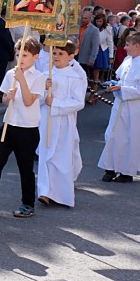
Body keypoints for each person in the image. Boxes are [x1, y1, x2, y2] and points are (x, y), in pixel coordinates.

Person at [0, 38, 46, 217]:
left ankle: (27, 204)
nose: (20, 58)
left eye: (25, 55)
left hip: (27, 128)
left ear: (35, 57)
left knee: (25, 167)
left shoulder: (39, 77)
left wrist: (22, 81)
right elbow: (5, 100)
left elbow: (29, 101)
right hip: (9, 124)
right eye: (18, 54)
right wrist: (8, 97)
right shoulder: (11, 73)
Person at [99, 32, 140, 183]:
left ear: (136, 46)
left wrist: (122, 89)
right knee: (113, 135)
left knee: (131, 138)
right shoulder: (128, 60)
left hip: (136, 108)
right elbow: (121, 80)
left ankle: (126, 172)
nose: (125, 47)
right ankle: (110, 168)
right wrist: (115, 85)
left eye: (128, 44)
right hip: (120, 105)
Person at [37, 41, 87, 207]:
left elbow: (79, 102)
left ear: (71, 57)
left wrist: (56, 102)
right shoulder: (45, 74)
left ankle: (60, 193)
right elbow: (35, 99)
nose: (56, 57)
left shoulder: (75, 77)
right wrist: (44, 92)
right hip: (46, 120)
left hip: (64, 122)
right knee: (45, 154)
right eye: (55, 53)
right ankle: (45, 190)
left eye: (61, 54)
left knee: (60, 156)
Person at [91, 11, 113, 95]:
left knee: (98, 69)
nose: (98, 23)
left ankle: (96, 85)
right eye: (97, 21)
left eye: (100, 21)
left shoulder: (107, 29)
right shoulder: (92, 28)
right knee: (94, 69)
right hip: (93, 49)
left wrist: (111, 56)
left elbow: (110, 42)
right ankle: (95, 84)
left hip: (102, 49)